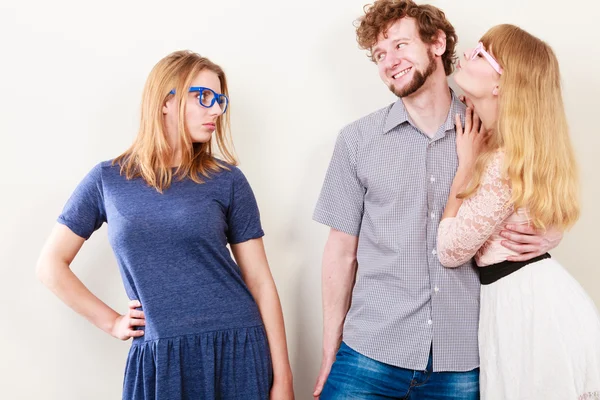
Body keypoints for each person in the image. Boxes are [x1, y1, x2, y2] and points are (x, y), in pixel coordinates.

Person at [312, 1, 562, 398]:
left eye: (400, 45)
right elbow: (341, 252)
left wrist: (551, 234)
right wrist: (329, 349)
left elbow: (545, 175)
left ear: (437, 43)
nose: (389, 61)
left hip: (463, 361)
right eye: (379, 54)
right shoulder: (356, 141)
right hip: (369, 352)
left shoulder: (494, 133)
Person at [35, 50, 294, 400]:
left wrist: (283, 380)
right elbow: (50, 265)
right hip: (160, 356)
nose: (216, 110)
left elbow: (261, 281)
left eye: (220, 100)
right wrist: (111, 322)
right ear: (165, 101)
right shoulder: (108, 180)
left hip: (236, 346)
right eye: (203, 97)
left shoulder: (227, 180)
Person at [437, 24, 600, 400]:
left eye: (480, 53)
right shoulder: (512, 148)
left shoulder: (499, 161)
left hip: (529, 313)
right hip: (529, 303)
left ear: (501, 84)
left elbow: (450, 250)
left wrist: (464, 169)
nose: (465, 55)